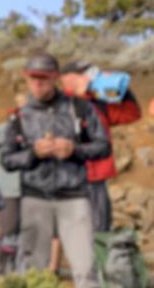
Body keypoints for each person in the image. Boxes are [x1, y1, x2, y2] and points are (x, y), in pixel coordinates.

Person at [1, 53, 109, 288]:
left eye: (44, 78)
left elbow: (104, 146)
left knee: (85, 270)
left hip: (74, 197)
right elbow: (7, 159)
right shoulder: (18, 116)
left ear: (55, 79)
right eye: (32, 78)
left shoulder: (80, 109)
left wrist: (74, 150)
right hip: (34, 198)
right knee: (32, 271)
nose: (37, 84)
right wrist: (33, 154)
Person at [59, 60, 141, 232]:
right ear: (66, 78)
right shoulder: (59, 102)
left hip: (96, 177)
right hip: (68, 177)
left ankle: (100, 258)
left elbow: (131, 115)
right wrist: (80, 96)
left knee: (100, 229)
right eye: (82, 74)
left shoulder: (97, 100)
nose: (88, 77)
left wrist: (121, 90)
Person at [0, 92, 28, 274]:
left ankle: (24, 271)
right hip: (9, 188)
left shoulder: (38, 128)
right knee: (8, 230)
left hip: (31, 189)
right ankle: (4, 269)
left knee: (28, 231)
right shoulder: (2, 130)